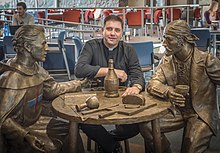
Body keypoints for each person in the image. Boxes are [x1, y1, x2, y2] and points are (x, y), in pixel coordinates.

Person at [0, 25, 86, 153]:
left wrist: (79, 83)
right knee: (50, 145)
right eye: (43, 44)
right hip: (20, 131)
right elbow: (3, 119)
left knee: (71, 130)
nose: (47, 48)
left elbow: (53, 89)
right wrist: (26, 135)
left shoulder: (36, 69)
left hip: (37, 120)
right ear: (28, 47)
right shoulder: (11, 79)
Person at [139, 20, 220, 153]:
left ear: (182, 40)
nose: (164, 44)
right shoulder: (167, 60)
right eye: (164, 39)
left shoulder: (207, 61)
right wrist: (168, 92)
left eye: (169, 39)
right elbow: (153, 83)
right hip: (175, 111)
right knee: (147, 126)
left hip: (199, 113)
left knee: (191, 146)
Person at [74, 15, 145, 153]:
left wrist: (136, 87)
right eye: (109, 29)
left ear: (122, 33)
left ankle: (106, 141)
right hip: (93, 96)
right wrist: (110, 71)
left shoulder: (128, 50)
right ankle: (113, 147)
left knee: (137, 125)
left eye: (117, 30)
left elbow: (137, 74)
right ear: (102, 30)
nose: (113, 33)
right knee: (83, 121)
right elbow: (79, 69)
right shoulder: (91, 45)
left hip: (120, 96)